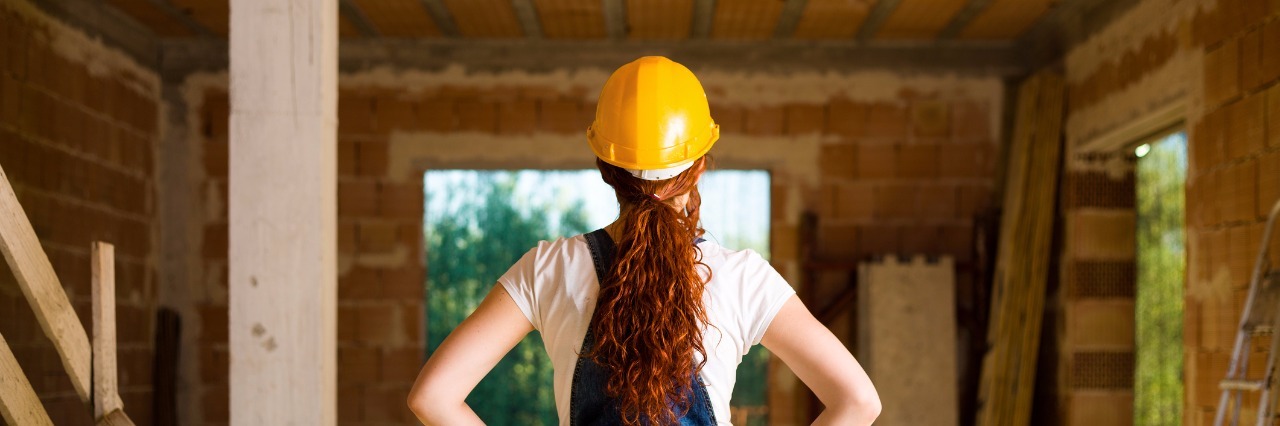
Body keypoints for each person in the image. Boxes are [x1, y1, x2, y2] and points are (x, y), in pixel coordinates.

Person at [407, 56, 880, 426]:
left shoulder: (548, 269)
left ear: (606, 168)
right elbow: (858, 402)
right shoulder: (743, 278)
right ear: (699, 164)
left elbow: (433, 398)